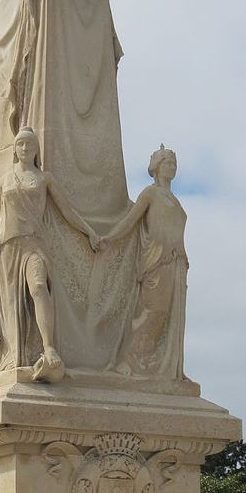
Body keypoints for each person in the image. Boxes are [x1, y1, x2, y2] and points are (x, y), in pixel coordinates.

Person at [0, 127, 98, 381]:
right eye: (20, 144)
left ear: (36, 149)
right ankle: (13, 354)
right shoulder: (7, 179)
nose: (24, 148)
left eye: (29, 144)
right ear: (14, 149)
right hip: (5, 247)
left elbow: (67, 211)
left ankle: (49, 347)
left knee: (39, 288)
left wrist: (90, 233)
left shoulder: (44, 179)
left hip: (34, 244)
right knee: (9, 306)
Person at [102, 146, 188, 379]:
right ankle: (127, 360)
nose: (172, 166)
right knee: (152, 311)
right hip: (157, 260)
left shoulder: (175, 200)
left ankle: (166, 368)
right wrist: (109, 238)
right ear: (157, 166)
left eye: (174, 162)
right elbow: (130, 221)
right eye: (168, 162)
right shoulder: (150, 194)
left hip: (177, 261)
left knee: (170, 318)